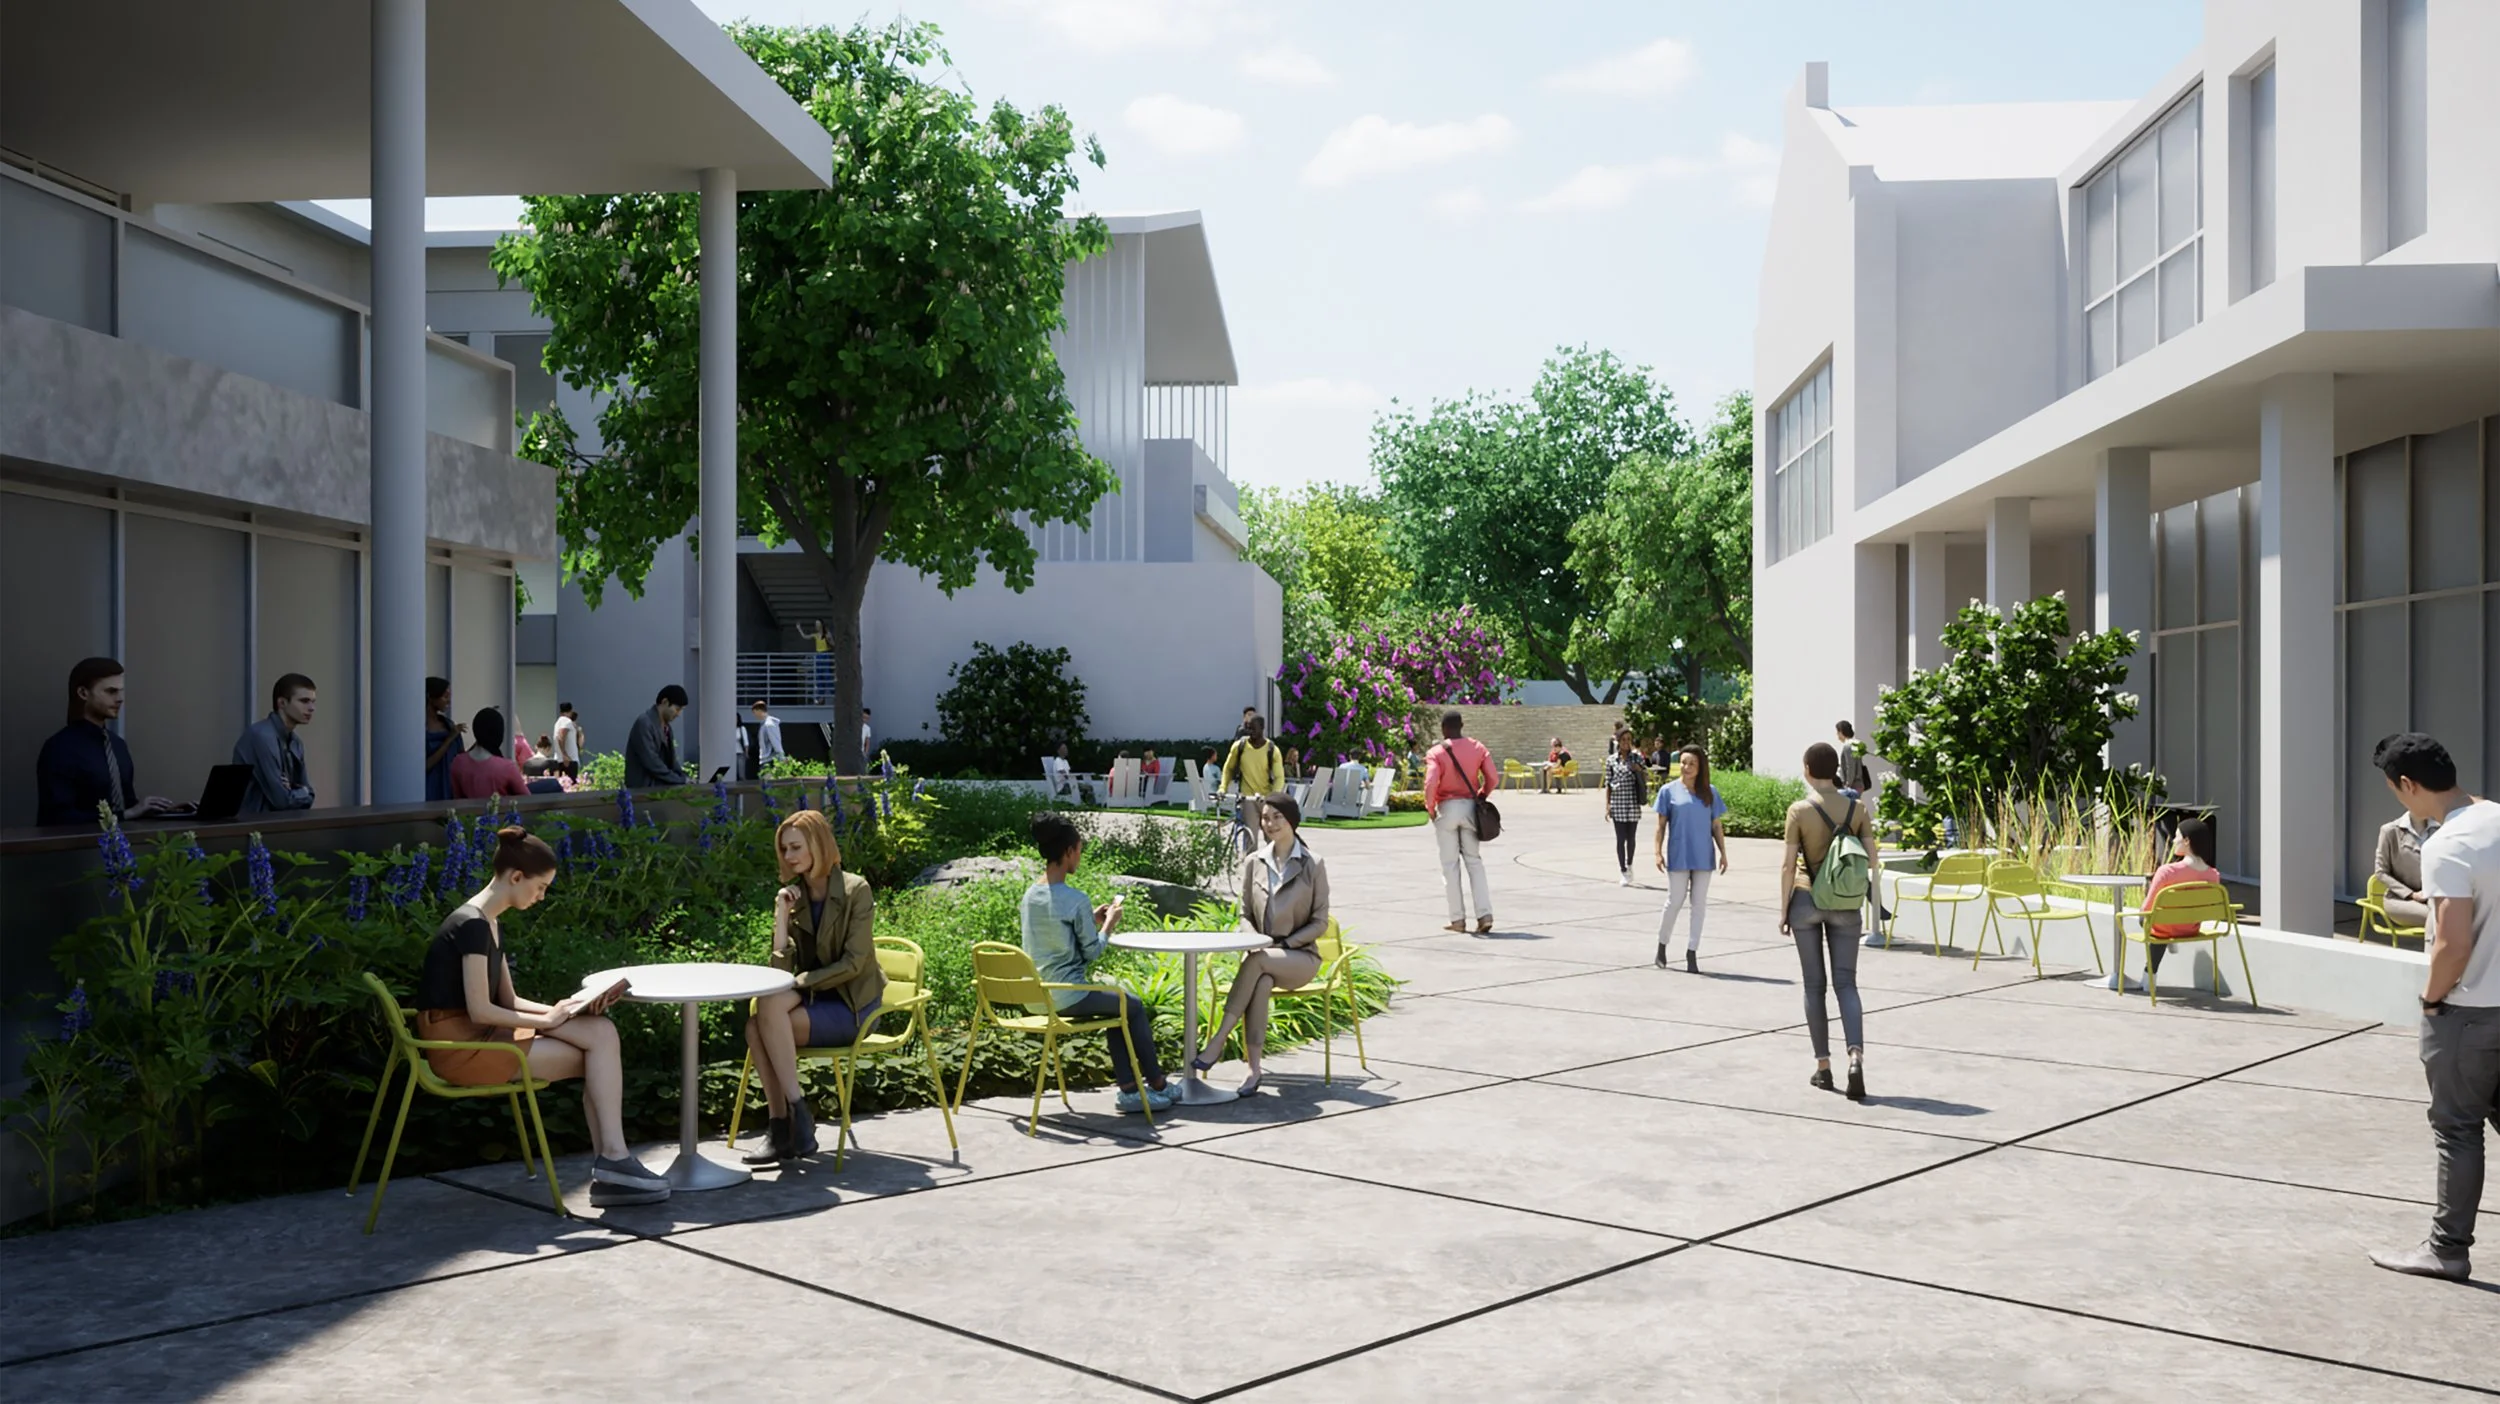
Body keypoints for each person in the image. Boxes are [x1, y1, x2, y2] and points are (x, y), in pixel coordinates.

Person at [416, 825, 667, 1206]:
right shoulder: (471, 925)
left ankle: (615, 1163)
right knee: (595, 1053)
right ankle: (614, 1164)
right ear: (516, 877)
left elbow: (510, 1000)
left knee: (599, 1031)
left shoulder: (488, 921)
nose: (541, 896)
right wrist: (549, 1022)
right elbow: (481, 1011)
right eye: (541, 887)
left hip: (479, 1038)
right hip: (460, 1048)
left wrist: (563, 1008)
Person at [2369, 733, 2500, 1281]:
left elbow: (2451, 943)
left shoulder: (2448, 844)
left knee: (2457, 1128)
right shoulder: (2495, 817)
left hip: (2467, 1012)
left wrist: (2431, 1000)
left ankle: (2447, 1250)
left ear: (2408, 784)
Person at [740, 809, 883, 1164]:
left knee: (760, 1026)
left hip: (852, 1005)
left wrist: (799, 984)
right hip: (813, 997)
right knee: (763, 1010)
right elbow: (779, 970)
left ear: (817, 845)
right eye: (784, 849)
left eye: (795, 848)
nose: (788, 856)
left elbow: (854, 963)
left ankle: (782, 1127)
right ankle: (794, 1115)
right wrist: (781, 916)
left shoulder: (855, 890)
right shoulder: (795, 895)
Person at [1020, 814, 1177, 1113]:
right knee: (1131, 1004)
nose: (1080, 856)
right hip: (1066, 995)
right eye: (1078, 850)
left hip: (1037, 996)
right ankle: (1156, 1085)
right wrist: (1108, 926)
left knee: (1119, 1005)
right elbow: (1091, 951)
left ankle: (1133, 1090)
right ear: (1068, 852)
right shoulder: (1074, 897)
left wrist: (1088, 919)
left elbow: (1052, 936)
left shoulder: (1030, 896)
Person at [1195, 794, 1329, 1097]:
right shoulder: (1254, 862)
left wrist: (1285, 942)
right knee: (1262, 978)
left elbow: (1320, 921)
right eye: (1265, 818)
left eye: (1277, 817)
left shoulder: (1313, 864)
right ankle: (1254, 1071)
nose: (1269, 824)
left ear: (1292, 820)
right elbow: (1243, 913)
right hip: (1263, 955)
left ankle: (1218, 1040)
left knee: (1257, 963)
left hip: (1300, 958)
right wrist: (1257, 941)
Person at [1780, 741, 1882, 1101]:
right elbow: (1872, 859)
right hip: (1844, 903)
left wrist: (1783, 911)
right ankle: (1855, 1056)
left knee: (1813, 986)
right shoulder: (1857, 808)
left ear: (1807, 769)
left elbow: (1789, 865)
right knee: (1846, 984)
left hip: (1806, 900)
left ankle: (1823, 1068)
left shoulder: (1799, 811)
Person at [35, 658, 179, 826]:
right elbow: (56, 817)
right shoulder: (59, 748)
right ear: (83, 693)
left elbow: (128, 805)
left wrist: (168, 811)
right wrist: (126, 814)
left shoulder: (117, 745)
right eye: (111, 691)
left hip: (121, 846)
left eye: (121, 691)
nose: (120, 699)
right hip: (78, 848)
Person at [1653, 745, 1731, 970]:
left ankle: (1692, 951)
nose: (1686, 768)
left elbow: (1716, 825)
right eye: (1684, 763)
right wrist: (1657, 853)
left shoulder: (1710, 792)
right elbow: (1660, 827)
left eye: (1692, 764)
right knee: (1674, 901)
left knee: (1699, 905)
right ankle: (1662, 945)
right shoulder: (1668, 791)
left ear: (1700, 768)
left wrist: (1724, 853)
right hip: (1679, 854)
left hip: (1703, 856)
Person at [1423, 710, 1497, 934]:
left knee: (1450, 865)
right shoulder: (1477, 747)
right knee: (1474, 862)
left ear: (1443, 729)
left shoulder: (1436, 752)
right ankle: (1484, 914)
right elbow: (1492, 777)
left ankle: (1457, 920)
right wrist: (1482, 794)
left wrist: (1430, 807)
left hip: (1446, 808)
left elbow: (1431, 782)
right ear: (1462, 725)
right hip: (1470, 808)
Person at [2137, 817, 2221, 986]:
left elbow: (2147, 909)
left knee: (2147, 919)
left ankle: (2148, 979)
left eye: (2176, 836)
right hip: (2190, 928)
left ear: (2187, 840)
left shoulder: (2166, 871)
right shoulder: (2214, 875)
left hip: (2164, 927)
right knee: (2162, 921)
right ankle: (2168, 941)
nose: (2174, 840)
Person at [234, 674, 317, 814]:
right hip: (253, 827)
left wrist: (297, 790)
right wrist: (301, 791)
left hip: (281, 825)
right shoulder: (261, 736)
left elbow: (311, 795)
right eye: (304, 701)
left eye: (313, 701)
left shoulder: (295, 742)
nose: (312, 708)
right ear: (282, 703)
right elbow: (281, 800)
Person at [1222, 713, 1286, 835]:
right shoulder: (1239, 746)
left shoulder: (1272, 750)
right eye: (1248, 728)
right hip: (1248, 798)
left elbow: (1279, 777)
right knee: (1250, 836)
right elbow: (1228, 768)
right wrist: (1223, 788)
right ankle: (1250, 853)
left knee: (1272, 837)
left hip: (1266, 798)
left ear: (1262, 728)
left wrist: (1274, 796)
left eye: (1253, 728)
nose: (1250, 731)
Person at [2376, 808, 2437, 933]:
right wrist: (2411, 894)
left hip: (2433, 895)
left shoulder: (2442, 830)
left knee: (2457, 917)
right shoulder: (2390, 831)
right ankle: (2431, 953)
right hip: (2401, 899)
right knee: (2437, 918)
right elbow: (2381, 872)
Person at [450, 708, 530, 799]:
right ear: (499, 733)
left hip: (468, 813)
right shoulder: (507, 767)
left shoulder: (458, 762)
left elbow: (456, 798)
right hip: (500, 813)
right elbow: (527, 800)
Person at [624, 685, 690, 788]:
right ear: (665, 702)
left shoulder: (667, 728)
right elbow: (652, 762)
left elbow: (672, 761)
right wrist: (679, 779)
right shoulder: (644, 723)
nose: (678, 714)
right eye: (677, 709)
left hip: (657, 788)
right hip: (643, 790)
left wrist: (684, 777)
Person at [1604, 740, 1648, 887]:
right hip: (1618, 803)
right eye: (1623, 740)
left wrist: (1639, 770)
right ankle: (1622, 870)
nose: (1626, 743)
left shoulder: (1637, 758)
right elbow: (1608, 784)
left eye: (1628, 740)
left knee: (1631, 837)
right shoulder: (1611, 760)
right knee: (1620, 838)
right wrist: (1608, 805)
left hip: (1632, 802)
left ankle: (1630, 864)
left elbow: (1645, 776)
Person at [424, 678, 463, 804]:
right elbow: (426, 765)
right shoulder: (419, 729)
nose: (448, 701)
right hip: (429, 792)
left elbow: (461, 758)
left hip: (450, 791)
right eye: (445, 697)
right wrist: (449, 739)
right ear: (431, 697)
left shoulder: (448, 724)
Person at [1834, 720, 1871, 798]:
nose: (1837, 735)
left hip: (1852, 785)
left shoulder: (1847, 746)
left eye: (1837, 732)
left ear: (1841, 731)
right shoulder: (1856, 744)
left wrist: (1847, 785)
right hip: (1859, 783)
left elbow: (1850, 766)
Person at [750, 700, 785, 779]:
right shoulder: (764, 724)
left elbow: (776, 742)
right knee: (765, 786)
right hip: (766, 760)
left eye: (754, 712)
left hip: (770, 761)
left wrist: (782, 758)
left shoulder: (769, 725)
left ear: (759, 710)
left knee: (767, 787)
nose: (754, 715)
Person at [802, 619, 833, 703]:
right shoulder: (816, 635)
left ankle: (832, 693)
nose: (817, 626)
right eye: (816, 624)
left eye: (818, 624)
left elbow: (832, 644)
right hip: (818, 655)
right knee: (819, 676)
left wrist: (829, 639)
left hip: (825, 654)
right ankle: (820, 698)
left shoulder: (827, 634)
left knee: (826, 675)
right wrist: (799, 629)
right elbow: (805, 636)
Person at [551, 702, 583, 780]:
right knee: (571, 785)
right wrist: (565, 755)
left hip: (560, 759)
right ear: (570, 711)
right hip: (569, 760)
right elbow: (561, 736)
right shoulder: (566, 721)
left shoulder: (558, 722)